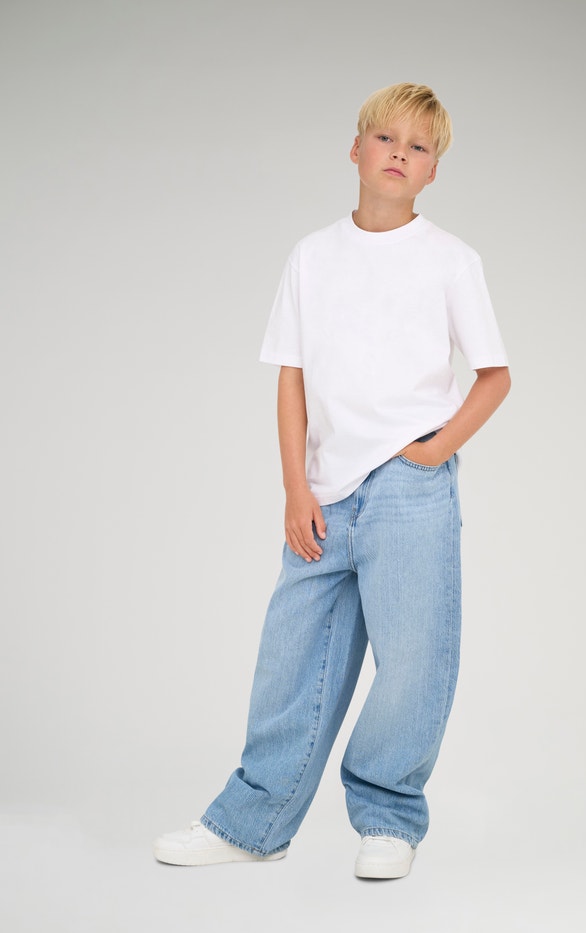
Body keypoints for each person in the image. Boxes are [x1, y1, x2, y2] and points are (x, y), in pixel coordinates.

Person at [153, 82, 510, 879]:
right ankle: (253, 823)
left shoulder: (451, 260)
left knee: (413, 660)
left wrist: (431, 454)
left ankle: (388, 816)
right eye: (385, 138)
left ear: (433, 171)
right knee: (292, 659)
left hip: (409, 488)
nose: (399, 154)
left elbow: (495, 375)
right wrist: (295, 487)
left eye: (418, 147)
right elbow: (292, 377)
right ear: (355, 149)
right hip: (324, 490)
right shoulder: (312, 257)